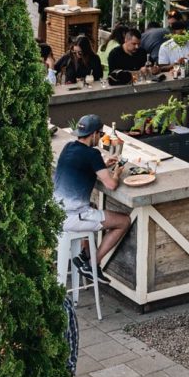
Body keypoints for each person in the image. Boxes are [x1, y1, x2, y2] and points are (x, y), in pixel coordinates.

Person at [54, 115, 130, 270]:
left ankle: (85, 254)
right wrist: (117, 173)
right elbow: (111, 185)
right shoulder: (92, 154)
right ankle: (92, 264)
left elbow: (82, 166)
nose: (100, 138)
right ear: (94, 134)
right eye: (101, 135)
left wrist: (102, 165)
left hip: (55, 211)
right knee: (124, 222)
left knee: (93, 206)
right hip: (72, 216)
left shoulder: (68, 147)